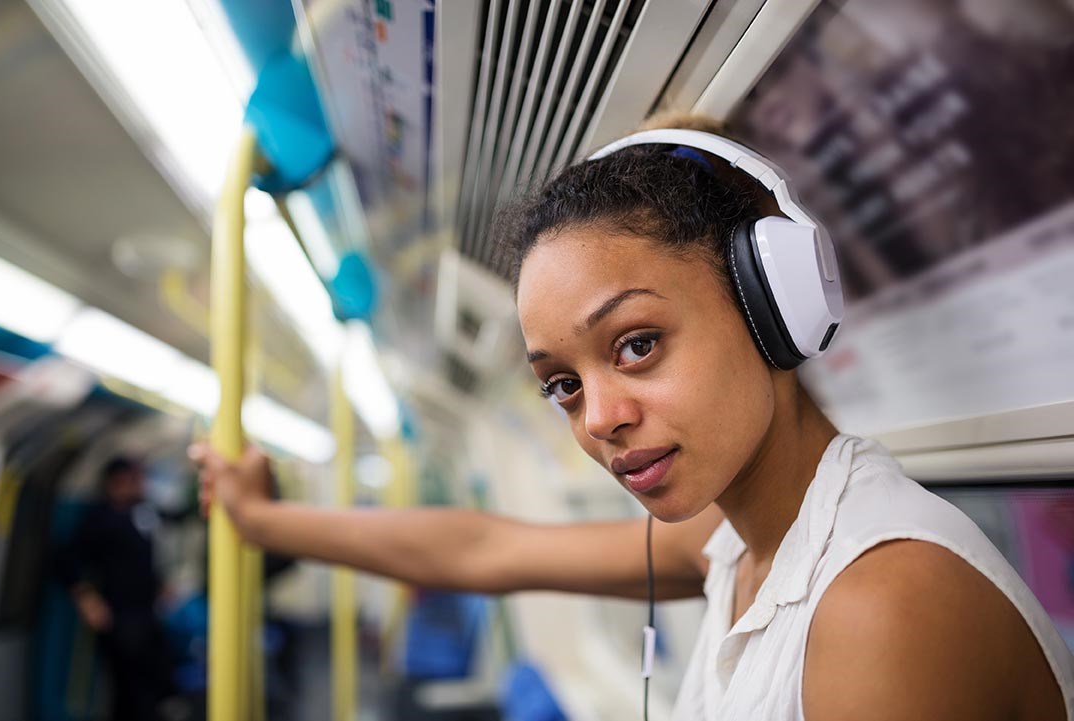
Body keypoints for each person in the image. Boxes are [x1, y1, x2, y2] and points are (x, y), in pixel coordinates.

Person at [190, 113, 1073, 720]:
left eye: (637, 343)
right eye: (562, 383)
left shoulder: (882, 603)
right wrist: (263, 519)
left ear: (773, 304)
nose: (599, 418)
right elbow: (484, 550)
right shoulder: (742, 545)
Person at [56, 455, 173, 721]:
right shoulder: (100, 519)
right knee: (129, 688)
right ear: (116, 482)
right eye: (134, 479)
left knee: (154, 678)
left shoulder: (141, 513)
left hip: (145, 612)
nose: (140, 485)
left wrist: (160, 585)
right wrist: (87, 600)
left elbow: (143, 562)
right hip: (119, 615)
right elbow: (66, 559)